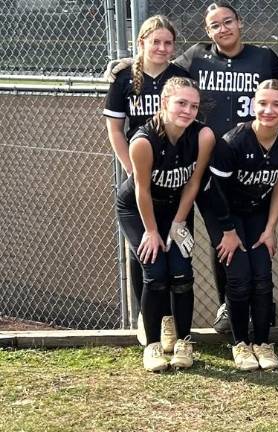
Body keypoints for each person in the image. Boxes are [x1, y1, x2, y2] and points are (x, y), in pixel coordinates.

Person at [104, 2, 278, 335]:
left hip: (237, 166)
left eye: (228, 21)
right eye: (215, 25)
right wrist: (132, 63)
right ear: (207, 31)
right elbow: (158, 62)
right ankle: (155, 317)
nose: (223, 29)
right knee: (175, 242)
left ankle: (237, 305)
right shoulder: (195, 58)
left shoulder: (264, 58)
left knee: (230, 238)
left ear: (239, 23)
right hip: (185, 167)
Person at [116, 77, 215, 372]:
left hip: (176, 209)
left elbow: (193, 183)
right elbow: (141, 190)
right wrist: (151, 231)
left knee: (182, 274)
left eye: (194, 105)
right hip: (139, 210)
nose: (188, 110)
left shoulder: (203, 136)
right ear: (164, 103)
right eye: (181, 103)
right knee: (156, 272)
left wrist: (178, 222)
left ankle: (183, 341)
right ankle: (153, 345)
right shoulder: (143, 141)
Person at [104, 15, 189, 352]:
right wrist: (131, 169)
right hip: (141, 173)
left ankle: (170, 322)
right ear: (141, 43)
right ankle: (148, 316)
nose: (162, 48)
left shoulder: (179, 77)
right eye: (155, 42)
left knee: (174, 250)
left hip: (174, 178)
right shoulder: (124, 78)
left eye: (168, 42)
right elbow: (115, 130)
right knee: (145, 252)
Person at [205, 80, 278, 371]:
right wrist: (228, 232)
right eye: (263, 103)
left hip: (256, 213)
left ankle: (263, 342)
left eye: (277, 104)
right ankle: (240, 343)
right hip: (225, 215)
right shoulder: (233, 141)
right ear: (253, 104)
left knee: (263, 277)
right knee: (239, 278)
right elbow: (216, 193)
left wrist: (270, 228)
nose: (268, 110)